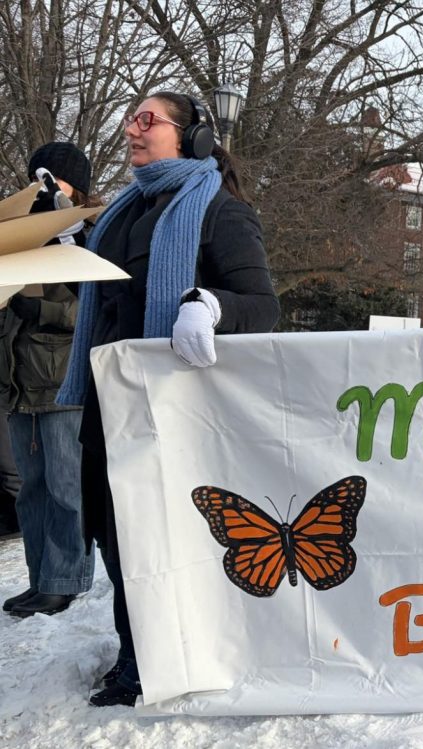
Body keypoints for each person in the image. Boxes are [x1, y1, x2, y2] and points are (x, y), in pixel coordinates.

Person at [55, 92, 279, 707]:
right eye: (129, 116)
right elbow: (103, 301)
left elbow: (263, 305)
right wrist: (68, 244)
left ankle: (157, 660)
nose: (131, 127)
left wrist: (210, 304)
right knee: (111, 531)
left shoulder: (219, 212)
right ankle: (136, 650)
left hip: (172, 414)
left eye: (147, 119)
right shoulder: (123, 211)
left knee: (156, 537)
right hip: (110, 405)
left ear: (193, 137)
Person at [0, 143, 95, 617]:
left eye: (53, 179)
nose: (43, 188)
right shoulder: (20, 231)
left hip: (61, 380)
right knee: (32, 489)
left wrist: (39, 308)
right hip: (18, 379)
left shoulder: (86, 232)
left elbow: (96, 304)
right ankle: (42, 578)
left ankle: (66, 578)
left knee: (65, 486)